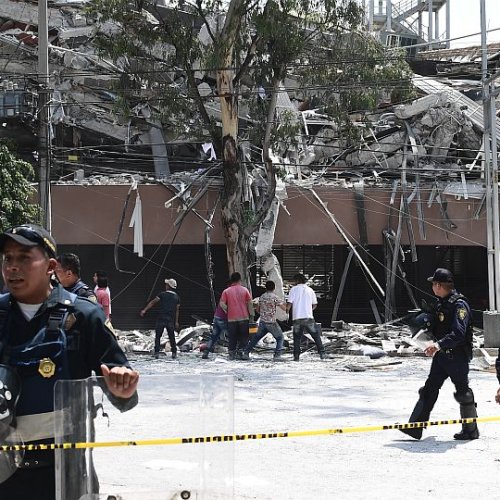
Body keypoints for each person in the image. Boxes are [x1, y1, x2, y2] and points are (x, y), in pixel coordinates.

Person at [0, 224, 139, 499]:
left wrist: (123, 389)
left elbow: (120, 380)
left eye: (24, 258)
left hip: (64, 475)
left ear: (51, 265)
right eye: (8, 258)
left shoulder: (84, 316)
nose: (13, 267)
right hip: (4, 474)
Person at [400, 268, 478, 441]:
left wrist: (438, 344)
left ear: (438, 285)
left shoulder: (459, 305)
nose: (432, 288)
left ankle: (471, 430)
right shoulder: (441, 303)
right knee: (429, 389)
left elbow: (459, 333)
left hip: (457, 357)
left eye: (433, 284)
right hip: (441, 356)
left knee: (463, 393)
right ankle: (415, 427)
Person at [242, 280, 286, 360]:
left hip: (262, 322)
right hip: (271, 322)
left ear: (266, 288)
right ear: (274, 288)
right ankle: (277, 355)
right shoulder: (274, 297)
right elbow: (283, 308)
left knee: (255, 338)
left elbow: (258, 309)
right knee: (280, 337)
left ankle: (246, 353)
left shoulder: (262, 297)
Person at [286, 273, 326, 361]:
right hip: (308, 317)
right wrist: (309, 310)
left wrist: (286, 312)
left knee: (297, 338)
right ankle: (322, 354)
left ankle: (296, 357)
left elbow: (289, 304)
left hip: (297, 318)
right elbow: (315, 304)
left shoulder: (293, 290)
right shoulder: (310, 290)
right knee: (316, 336)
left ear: (297, 281)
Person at [140, 278, 180, 359]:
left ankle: (157, 352)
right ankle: (174, 352)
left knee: (158, 336)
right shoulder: (177, 297)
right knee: (171, 336)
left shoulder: (162, 294)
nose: (165, 285)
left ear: (168, 286)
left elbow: (153, 302)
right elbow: (177, 310)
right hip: (170, 319)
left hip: (161, 317)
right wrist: (176, 321)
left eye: (166, 284)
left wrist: (144, 310)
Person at [220, 272, 254, 360]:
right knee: (244, 336)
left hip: (232, 318)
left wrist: (228, 310)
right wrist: (251, 315)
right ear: (240, 279)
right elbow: (250, 303)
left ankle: (231, 354)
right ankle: (241, 352)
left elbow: (222, 303)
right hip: (244, 317)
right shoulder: (245, 290)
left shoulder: (226, 291)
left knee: (232, 336)